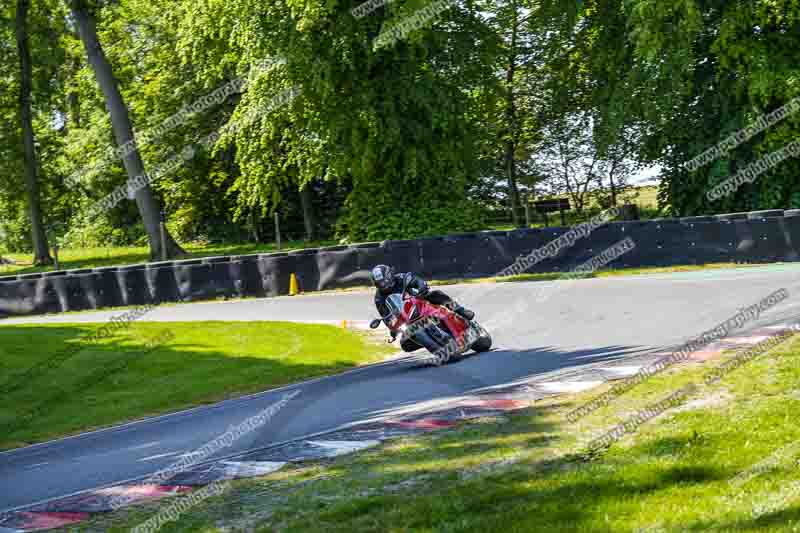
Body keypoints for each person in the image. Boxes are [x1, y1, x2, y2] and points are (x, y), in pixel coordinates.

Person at [370, 264, 475, 341]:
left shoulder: (401, 278)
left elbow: (416, 280)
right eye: (380, 283)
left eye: (385, 281)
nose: (384, 285)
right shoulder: (379, 298)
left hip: (419, 301)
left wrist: (421, 287)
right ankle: (433, 342)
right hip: (404, 317)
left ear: (390, 275)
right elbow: (385, 316)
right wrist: (392, 327)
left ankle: (461, 311)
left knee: (436, 294)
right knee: (405, 343)